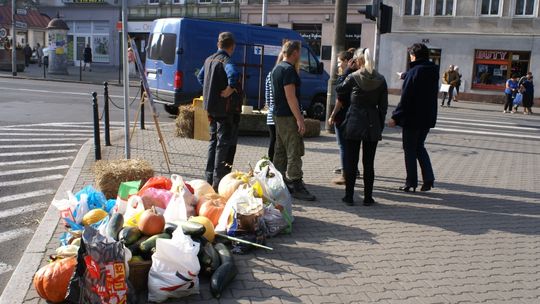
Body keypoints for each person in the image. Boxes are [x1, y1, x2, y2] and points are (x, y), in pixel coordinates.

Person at [335, 48, 388, 206]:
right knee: (369, 163)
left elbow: (339, 88)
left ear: (359, 61)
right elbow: (383, 107)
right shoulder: (381, 79)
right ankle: (368, 198)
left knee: (352, 161)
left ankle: (349, 197)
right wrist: (379, 124)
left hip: (354, 122)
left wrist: (346, 71)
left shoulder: (353, 77)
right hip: (372, 123)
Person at [388, 43, 438, 193]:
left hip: (412, 118)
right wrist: (405, 75)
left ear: (414, 56)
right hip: (427, 117)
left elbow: (406, 98)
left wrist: (395, 117)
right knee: (419, 147)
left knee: (409, 149)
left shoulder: (414, 72)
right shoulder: (433, 70)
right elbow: (420, 82)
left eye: (410, 55)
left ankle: (411, 182)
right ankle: (428, 179)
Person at [271, 40, 316, 201]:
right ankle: (296, 184)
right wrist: (300, 119)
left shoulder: (277, 68)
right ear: (295, 53)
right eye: (300, 52)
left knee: (280, 149)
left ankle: (278, 183)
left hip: (278, 114)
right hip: (288, 116)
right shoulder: (288, 70)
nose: (300, 55)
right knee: (294, 149)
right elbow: (291, 97)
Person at [197, 32, 241, 191]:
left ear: (218, 44)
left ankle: (208, 178)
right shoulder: (226, 61)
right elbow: (234, 75)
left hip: (210, 107)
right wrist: (230, 88)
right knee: (222, 145)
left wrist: (210, 89)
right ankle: (218, 182)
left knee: (213, 142)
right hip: (224, 109)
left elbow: (200, 77)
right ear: (232, 46)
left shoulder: (208, 60)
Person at [328, 49, 356, 185]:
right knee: (351, 146)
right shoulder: (357, 75)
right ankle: (352, 170)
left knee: (343, 146)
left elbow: (340, 99)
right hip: (353, 116)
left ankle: (346, 174)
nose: (338, 65)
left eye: (340, 62)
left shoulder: (346, 77)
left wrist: (332, 115)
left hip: (343, 116)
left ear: (346, 62)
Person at [265, 52, 284, 162]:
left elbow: (267, 97)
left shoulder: (269, 74)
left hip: (271, 114)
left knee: (273, 140)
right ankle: (277, 166)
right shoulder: (284, 74)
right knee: (280, 142)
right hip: (281, 114)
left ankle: (269, 164)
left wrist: (270, 106)